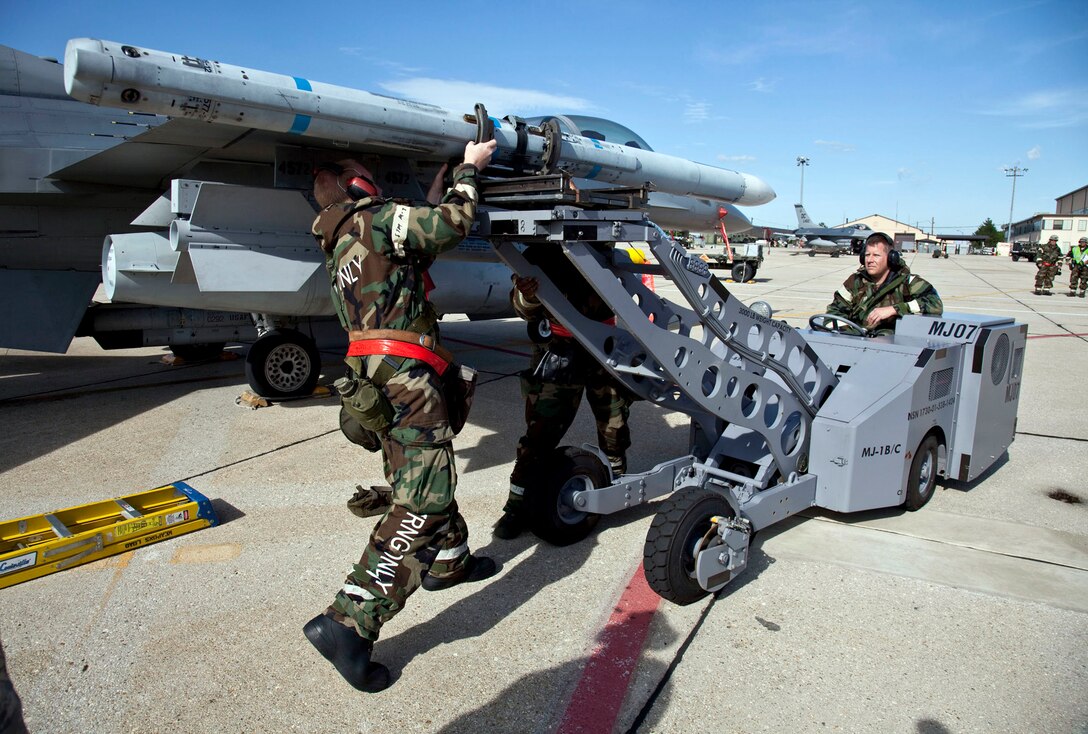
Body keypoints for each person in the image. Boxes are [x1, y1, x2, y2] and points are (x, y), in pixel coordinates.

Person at [304, 138, 499, 693]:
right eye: (368, 176)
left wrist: (431, 197)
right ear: (357, 186)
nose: (377, 183)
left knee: (418, 473)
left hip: (376, 378)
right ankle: (348, 623)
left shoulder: (343, 239)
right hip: (408, 379)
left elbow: (410, 257)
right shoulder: (375, 218)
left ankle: (448, 564)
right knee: (425, 499)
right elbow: (453, 224)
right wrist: (468, 171)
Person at [493, 244, 634, 539]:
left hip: (603, 349)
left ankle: (617, 489)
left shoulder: (602, 250)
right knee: (538, 434)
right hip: (559, 350)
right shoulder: (539, 254)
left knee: (614, 427)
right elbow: (521, 308)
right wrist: (527, 294)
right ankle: (517, 506)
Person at [825, 232, 943, 335]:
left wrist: (894, 309)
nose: (870, 260)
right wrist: (846, 333)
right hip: (856, 340)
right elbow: (835, 310)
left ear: (891, 258)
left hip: (890, 346)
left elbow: (935, 303)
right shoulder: (855, 281)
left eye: (876, 255)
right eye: (867, 255)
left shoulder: (907, 283)